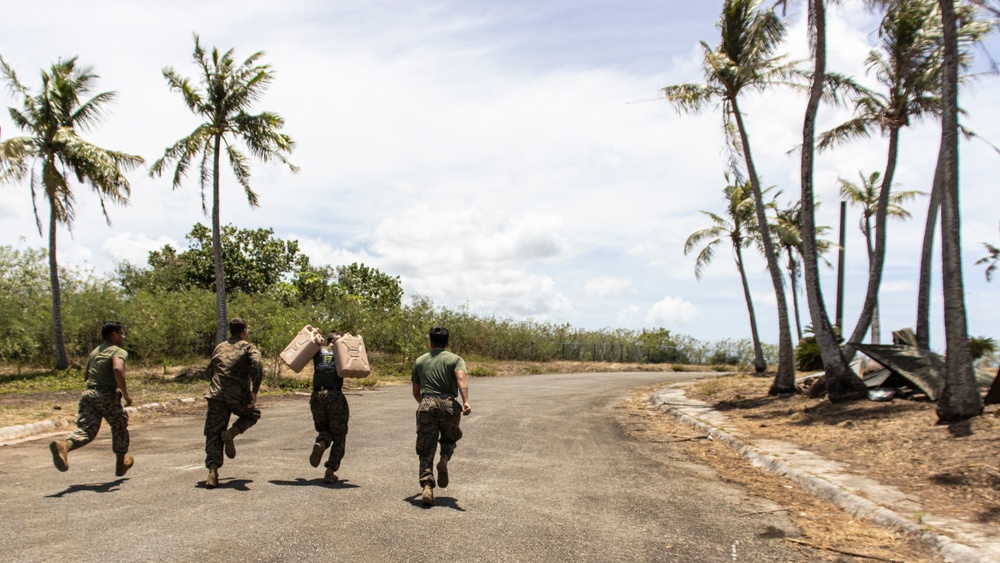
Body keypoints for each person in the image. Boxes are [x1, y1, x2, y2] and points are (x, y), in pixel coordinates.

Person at [49, 321, 134, 477]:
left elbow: (86, 375)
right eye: (122, 333)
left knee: (87, 430)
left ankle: (65, 446)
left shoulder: (95, 351)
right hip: (106, 394)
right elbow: (117, 368)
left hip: (88, 395)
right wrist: (125, 393)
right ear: (114, 334)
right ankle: (121, 462)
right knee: (119, 425)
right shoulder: (118, 351)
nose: (123, 336)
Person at [411, 326, 471, 506]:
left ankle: (427, 486)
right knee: (450, 437)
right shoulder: (455, 359)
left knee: (426, 446)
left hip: (427, 403)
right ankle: (444, 458)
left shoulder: (420, 361)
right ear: (447, 342)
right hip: (449, 403)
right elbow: (461, 379)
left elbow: (415, 391)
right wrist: (466, 400)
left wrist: (426, 404)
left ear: (430, 341)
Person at [203, 317, 262, 489]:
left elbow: (210, 370)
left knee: (213, 433)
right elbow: (257, 363)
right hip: (237, 396)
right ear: (244, 331)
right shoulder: (248, 347)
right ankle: (232, 433)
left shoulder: (219, 347)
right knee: (252, 415)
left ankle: (212, 472)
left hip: (216, 395)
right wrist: (254, 390)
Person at [308, 330, 349, 483]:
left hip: (317, 396)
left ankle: (322, 442)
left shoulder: (317, 351)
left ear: (328, 341)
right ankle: (330, 470)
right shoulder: (341, 353)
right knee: (339, 434)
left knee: (324, 428)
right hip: (334, 395)